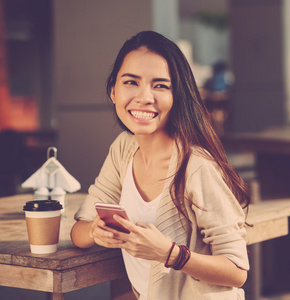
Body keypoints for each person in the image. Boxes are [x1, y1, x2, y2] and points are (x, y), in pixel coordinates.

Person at [70, 30, 250, 299]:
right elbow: (79, 230)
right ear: (113, 91)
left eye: (160, 85)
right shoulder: (123, 149)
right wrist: (95, 230)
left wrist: (169, 253)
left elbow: (237, 270)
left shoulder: (196, 166)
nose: (145, 97)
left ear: (177, 96)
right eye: (131, 82)